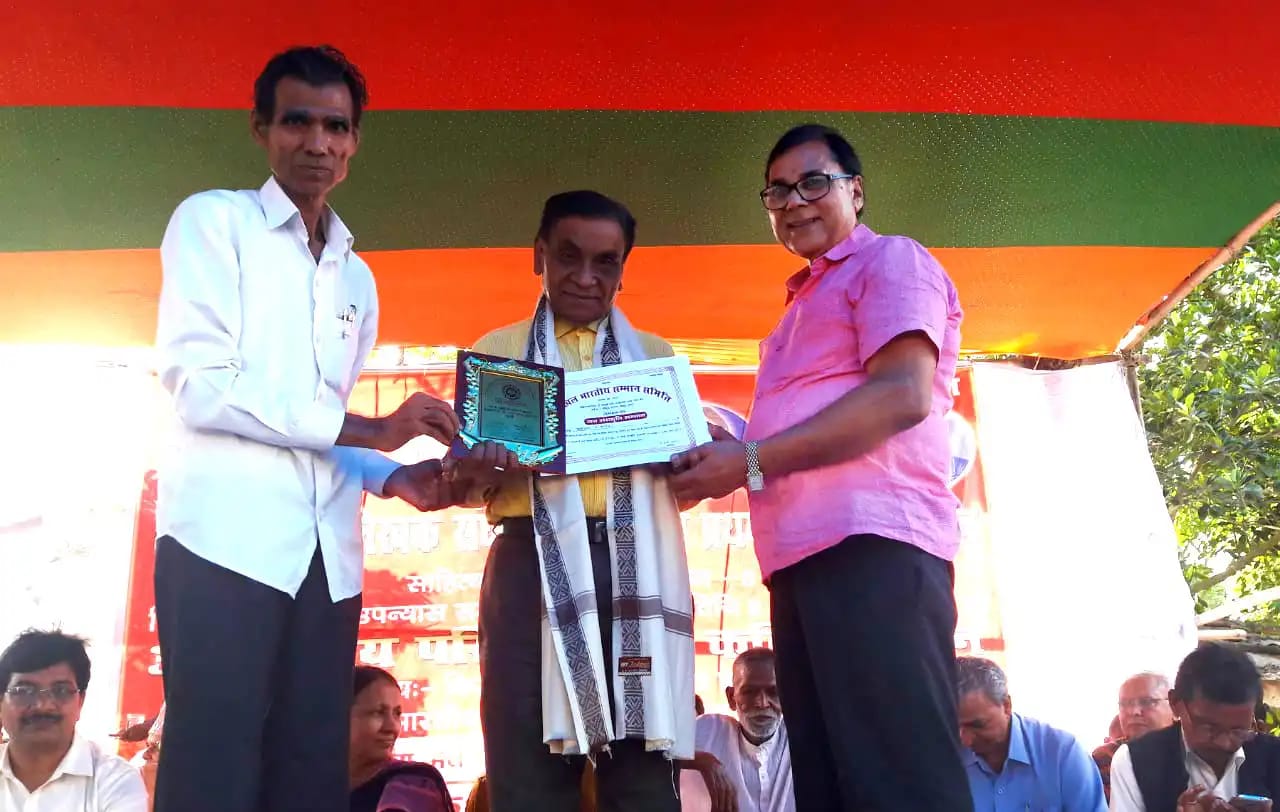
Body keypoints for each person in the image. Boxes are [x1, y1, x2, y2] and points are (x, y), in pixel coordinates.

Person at [152, 45, 459, 812]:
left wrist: (397, 477)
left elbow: (323, 434)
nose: (316, 143)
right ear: (261, 128)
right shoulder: (214, 222)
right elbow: (204, 390)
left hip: (329, 562)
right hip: (223, 544)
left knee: (309, 774)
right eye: (297, 122)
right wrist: (375, 430)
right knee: (213, 766)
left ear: (355, 142)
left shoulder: (357, 275)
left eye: (335, 126)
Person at [670, 123, 968, 810]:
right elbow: (803, 429)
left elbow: (901, 395)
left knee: (897, 780)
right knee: (833, 782)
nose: (792, 201)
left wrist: (745, 458)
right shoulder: (797, 306)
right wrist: (722, 440)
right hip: (802, 564)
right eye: (776, 191)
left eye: (813, 182)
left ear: (856, 191)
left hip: (874, 550)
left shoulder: (891, 261)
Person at [457, 190, 696, 811]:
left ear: (623, 268)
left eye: (606, 262)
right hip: (526, 564)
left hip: (635, 566)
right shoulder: (496, 352)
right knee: (525, 763)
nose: (586, 278)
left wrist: (695, 457)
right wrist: (476, 465)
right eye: (568, 257)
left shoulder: (659, 360)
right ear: (538, 255)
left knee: (642, 770)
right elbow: (460, 484)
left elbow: (686, 489)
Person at [1111, 643, 1280, 811]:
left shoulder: (1274, 756)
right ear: (1175, 703)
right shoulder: (1134, 761)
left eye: (1239, 730)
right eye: (1208, 728)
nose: (1224, 743)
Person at [0, 630, 148, 811]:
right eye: (24, 691)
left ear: (80, 702)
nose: (43, 705)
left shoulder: (116, 781)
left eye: (61, 691)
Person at [956, 657, 1106, 812]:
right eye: (956, 727)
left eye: (978, 725)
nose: (965, 739)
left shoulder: (1063, 754)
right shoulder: (944, 759)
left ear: (1006, 706)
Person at [680, 647, 795, 812]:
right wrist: (701, 761)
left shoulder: (802, 738)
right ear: (731, 697)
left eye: (773, 692)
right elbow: (650, 758)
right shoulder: (709, 730)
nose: (762, 703)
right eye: (749, 692)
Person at [348, 666, 450, 812]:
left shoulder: (414, 784)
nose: (392, 727)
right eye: (378, 712)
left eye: (397, 714)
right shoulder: (311, 786)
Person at [1094, 673, 1175, 800]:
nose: (1134, 711)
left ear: (1175, 706)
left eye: (1147, 702)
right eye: (1125, 704)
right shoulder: (1105, 759)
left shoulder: (1196, 753)